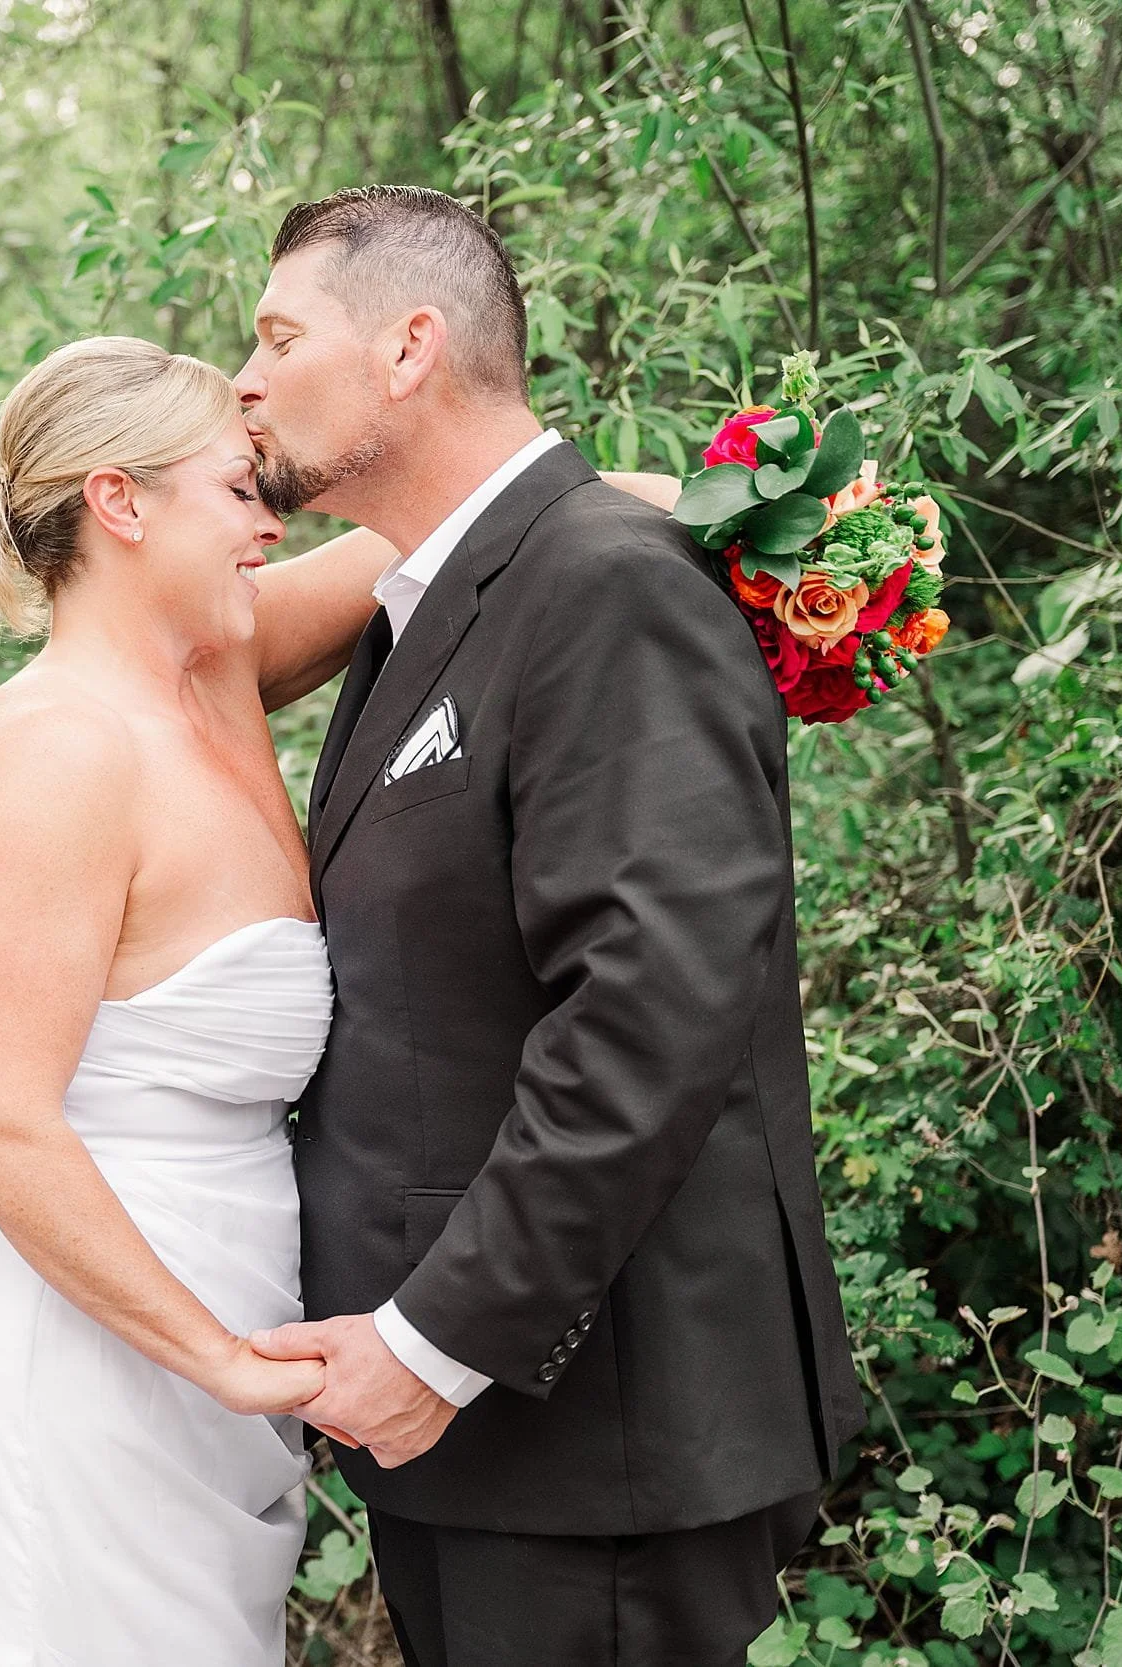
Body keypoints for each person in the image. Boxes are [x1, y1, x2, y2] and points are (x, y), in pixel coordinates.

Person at [0, 328, 687, 1663]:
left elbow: (495, 517)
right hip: (78, 1360)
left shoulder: (222, 677)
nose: (273, 519)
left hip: (217, 1355)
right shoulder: (50, 749)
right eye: (240, 489)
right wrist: (219, 1356)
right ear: (120, 502)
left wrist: (783, 526)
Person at [237, 185, 864, 1667]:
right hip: (498, 1444)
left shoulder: (604, 585)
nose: (246, 381)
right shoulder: (438, 598)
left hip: (599, 1423)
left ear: (409, 348)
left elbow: (654, 1002)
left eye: (276, 337)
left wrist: (435, 1336)